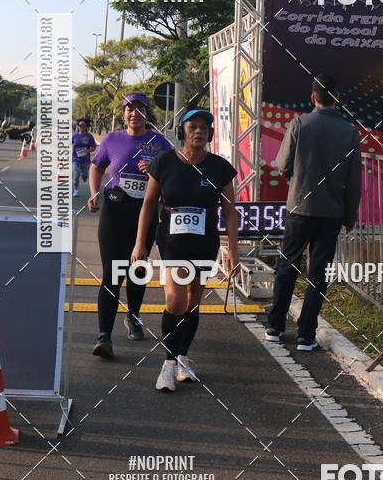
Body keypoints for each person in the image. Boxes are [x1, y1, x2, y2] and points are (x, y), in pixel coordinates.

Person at [131, 107, 239, 392]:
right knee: (175, 300)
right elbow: (149, 204)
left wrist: (233, 252)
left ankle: (182, 358)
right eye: (193, 126)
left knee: (192, 301)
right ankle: (167, 364)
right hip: (171, 242)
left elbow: (230, 213)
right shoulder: (165, 162)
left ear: (210, 133)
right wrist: (140, 243)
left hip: (204, 244)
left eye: (204, 127)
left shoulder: (219, 167)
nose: (199, 131)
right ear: (182, 131)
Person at [265, 74, 362, 350]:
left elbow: (283, 164)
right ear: (336, 98)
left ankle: (274, 325)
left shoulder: (299, 123)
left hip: (299, 207)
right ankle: (306, 334)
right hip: (331, 213)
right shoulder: (350, 132)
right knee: (318, 273)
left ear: (313, 97)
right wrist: (350, 215)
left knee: (288, 267)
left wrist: (296, 182)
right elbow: (354, 180)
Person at [88, 93, 172, 359]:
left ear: (148, 114)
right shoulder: (112, 139)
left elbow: (173, 176)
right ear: (124, 113)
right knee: (112, 273)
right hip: (115, 210)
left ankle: (134, 316)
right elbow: (96, 167)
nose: (134, 114)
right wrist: (94, 192)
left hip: (145, 213)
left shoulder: (160, 143)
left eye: (139, 109)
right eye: (129, 109)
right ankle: (104, 337)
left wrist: (155, 170)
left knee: (137, 269)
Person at [72, 117, 97, 197]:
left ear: (86, 127)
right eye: (80, 125)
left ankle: (84, 175)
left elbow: (93, 148)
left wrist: (86, 151)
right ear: (78, 126)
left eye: (83, 125)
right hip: (76, 159)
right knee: (76, 174)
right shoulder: (75, 136)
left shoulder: (89, 137)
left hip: (86, 160)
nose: (81, 127)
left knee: (85, 175)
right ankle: (75, 190)